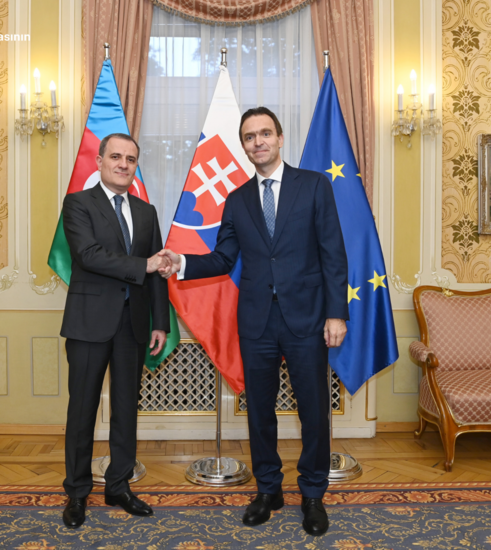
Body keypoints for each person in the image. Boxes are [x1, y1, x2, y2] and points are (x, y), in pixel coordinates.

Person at [159, 107, 348, 536]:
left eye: (265, 133)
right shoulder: (238, 199)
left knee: (314, 412)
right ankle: (268, 490)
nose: (258, 142)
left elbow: (333, 254)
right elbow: (224, 258)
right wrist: (181, 261)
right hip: (257, 322)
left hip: (307, 319)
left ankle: (312, 494)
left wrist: (336, 313)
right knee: (260, 411)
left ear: (280, 138)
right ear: (243, 146)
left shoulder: (314, 186)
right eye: (249, 136)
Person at [60, 133, 170, 529]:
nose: (123, 164)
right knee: (82, 410)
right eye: (116, 157)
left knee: (126, 410)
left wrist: (161, 322)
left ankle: (118, 486)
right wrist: (144, 265)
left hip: (133, 324)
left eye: (131, 159)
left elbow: (158, 271)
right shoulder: (78, 204)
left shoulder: (146, 211)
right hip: (89, 322)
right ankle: (77, 492)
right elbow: (88, 255)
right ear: (100, 161)